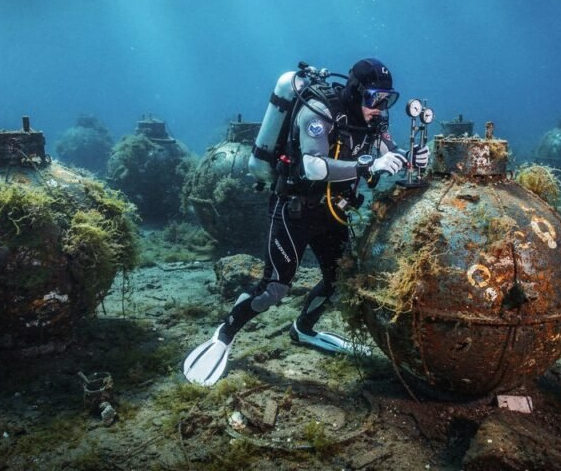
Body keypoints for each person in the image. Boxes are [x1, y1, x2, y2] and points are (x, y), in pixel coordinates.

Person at [183, 58, 431, 386]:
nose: (381, 107)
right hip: (294, 210)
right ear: (356, 92)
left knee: (337, 279)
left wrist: (410, 158)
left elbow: (389, 150)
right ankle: (224, 335)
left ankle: (303, 330)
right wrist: (367, 166)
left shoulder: (375, 120)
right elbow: (313, 166)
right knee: (273, 289)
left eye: (388, 99)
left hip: (333, 212)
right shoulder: (319, 111)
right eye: (374, 98)